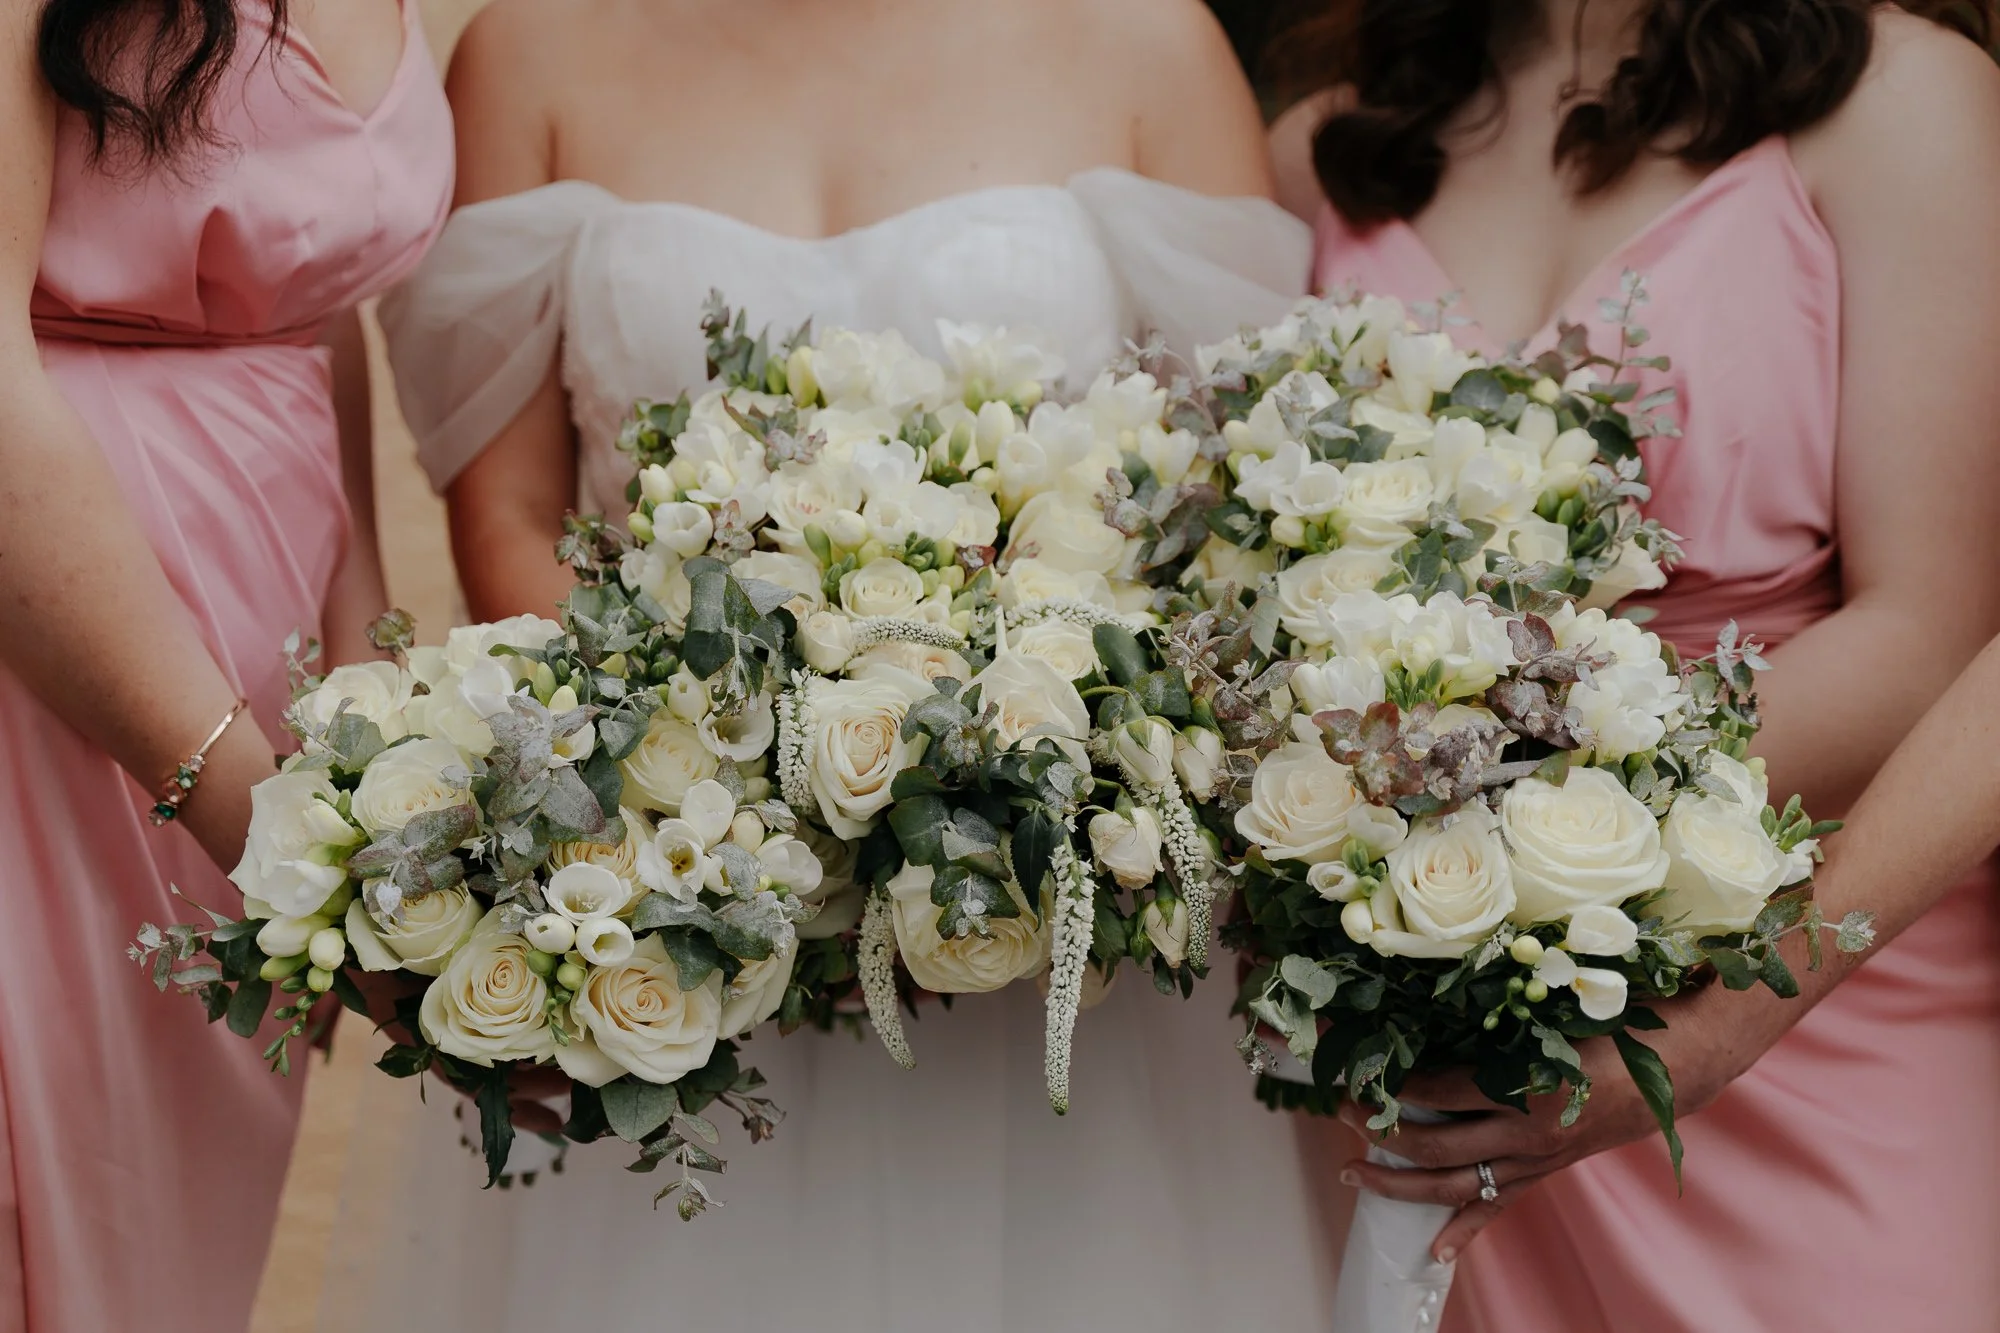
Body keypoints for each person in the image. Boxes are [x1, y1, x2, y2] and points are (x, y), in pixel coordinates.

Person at [358, 1, 1325, 1329]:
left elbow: (1229, 504)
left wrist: (1008, 773)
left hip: (1047, 925)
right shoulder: (533, 49)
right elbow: (512, 515)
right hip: (687, 901)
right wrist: (725, 783)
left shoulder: (1148, 39)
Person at [1270, 1, 2000, 1327]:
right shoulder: (1325, 145)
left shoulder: (1904, 100)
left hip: (1809, 989)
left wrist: (1508, 808)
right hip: (1444, 1020)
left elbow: (1931, 634)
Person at [0, 0, 451, 1328]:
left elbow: (305, 301)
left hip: (258, 701)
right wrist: (260, 820)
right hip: (59, 670)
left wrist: (364, 730)